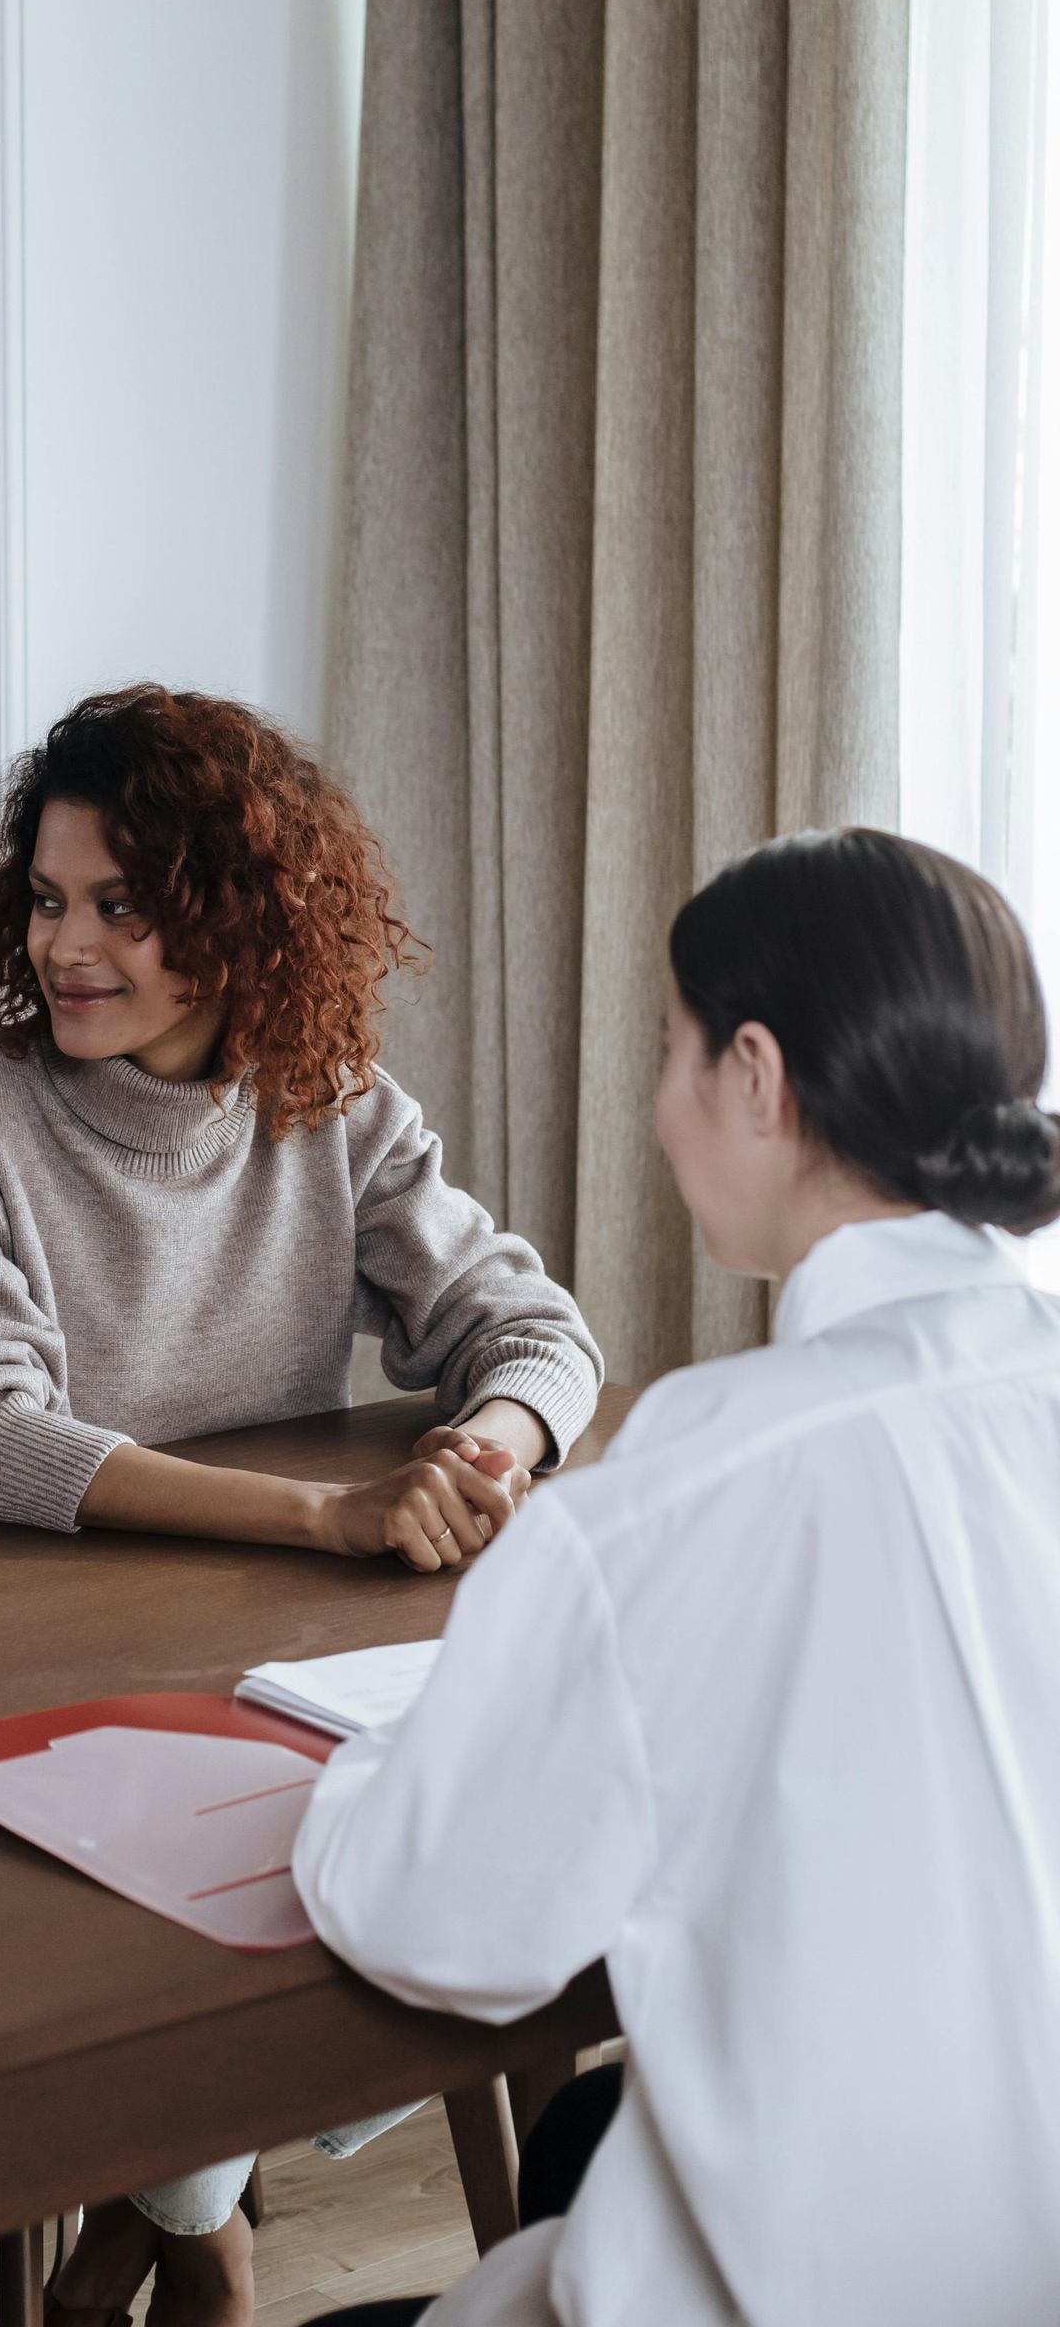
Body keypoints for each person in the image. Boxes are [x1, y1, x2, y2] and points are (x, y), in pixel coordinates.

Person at [0, 684, 603, 2327]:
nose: (68, 947)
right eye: (47, 901)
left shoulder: (331, 1107)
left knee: (505, 1843)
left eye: (125, 904)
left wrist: (488, 1454)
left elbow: (536, 1333)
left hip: (264, 1658)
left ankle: (176, 2200)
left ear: (235, 917)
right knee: (273, 1875)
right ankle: (197, 2221)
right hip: (10, 1671)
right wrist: (325, 1523)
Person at [294, 826, 1060, 2327]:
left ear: (757, 1078)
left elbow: (433, 1919)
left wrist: (384, 1754)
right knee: (590, 2138)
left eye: (669, 1050)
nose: (653, 1109)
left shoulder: (690, 1480)